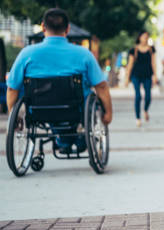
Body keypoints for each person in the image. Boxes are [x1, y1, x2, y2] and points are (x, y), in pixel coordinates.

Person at [6, 8, 113, 153]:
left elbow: (12, 88)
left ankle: (63, 140)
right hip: (77, 109)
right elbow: (101, 87)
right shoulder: (83, 54)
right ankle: (74, 138)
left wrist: (13, 114)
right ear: (67, 29)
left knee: (50, 106)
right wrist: (108, 113)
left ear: (43, 27)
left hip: (39, 110)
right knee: (81, 101)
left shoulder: (27, 53)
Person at [124, 30, 158, 127]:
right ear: (139, 37)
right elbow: (130, 64)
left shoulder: (151, 49)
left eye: (147, 36)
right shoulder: (133, 50)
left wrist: (155, 75)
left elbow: (153, 63)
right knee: (138, 96)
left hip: (147, 75)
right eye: (143, 36)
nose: (145, 38)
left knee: (148, 96)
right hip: (136, 75)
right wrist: (127, 78)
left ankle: (145, 110)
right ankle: (138, 118)